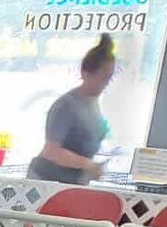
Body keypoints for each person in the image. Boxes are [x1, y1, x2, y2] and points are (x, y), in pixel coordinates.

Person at [27, 34, 116, 185]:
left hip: (73, 182)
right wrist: (89, 165)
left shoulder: (93, 105)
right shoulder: (66, 105)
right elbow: (52, 151)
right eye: (103, 77)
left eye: (109, 77)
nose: (106, 83)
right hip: (46, 182)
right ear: (85, 74)